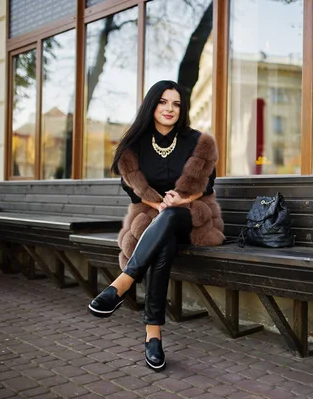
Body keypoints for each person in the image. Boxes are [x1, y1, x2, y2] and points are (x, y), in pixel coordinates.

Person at [87, 80, 225, 371]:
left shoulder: (196, 141)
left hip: (192, 215)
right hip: (155, 218)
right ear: (152, 105)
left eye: (176, 104)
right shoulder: (134, 145)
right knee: (163, 243)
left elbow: (208, 184)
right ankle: (153, 336)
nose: (169, 109)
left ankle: (122, 283)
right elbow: (132, 190)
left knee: (172, 217)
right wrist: (157, 204)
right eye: (163, 102)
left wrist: (181, 198)